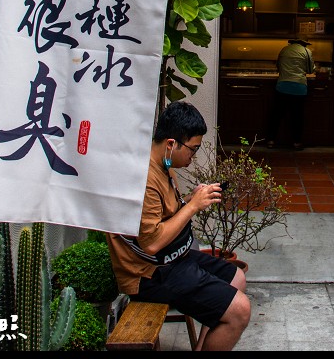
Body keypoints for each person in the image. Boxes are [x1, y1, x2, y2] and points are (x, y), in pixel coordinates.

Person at [106, 101, 250, 351]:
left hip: (173, 259)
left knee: (236, 277)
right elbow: (151, 244)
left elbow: (166, 214)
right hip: (149, 274)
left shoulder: (164, 164)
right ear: (171, 143)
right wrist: (192, 206)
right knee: (240, 311)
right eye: (192, 150)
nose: (193, 159)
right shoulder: (143, 180)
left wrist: (190, 200)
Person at [266, 38, 315, 150]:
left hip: (282, 86)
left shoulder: (284, 50)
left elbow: (278, 66)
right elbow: (310, 70)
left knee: (277, 115)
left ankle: (271, 140)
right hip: (299, 87)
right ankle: (296, 142)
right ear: (304, 44)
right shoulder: (306, 51)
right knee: (297, 116)